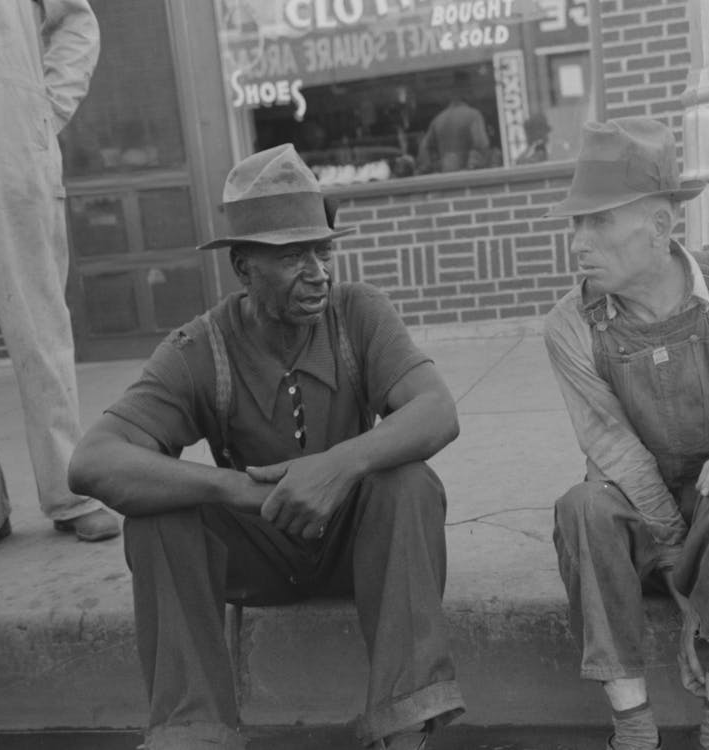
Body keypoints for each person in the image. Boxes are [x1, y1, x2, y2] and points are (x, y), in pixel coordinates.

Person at [67, 144, 466, 750]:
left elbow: (437, 410)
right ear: (244, 268)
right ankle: (192, 735)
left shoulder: (358, 313)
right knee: (156, 517)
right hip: (255, 555)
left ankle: (406, 726)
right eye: (291, 256)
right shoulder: (199, 348)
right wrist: (235, 489)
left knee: (409, 482)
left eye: (323, 250)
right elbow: (93, 461)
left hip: (355, 548)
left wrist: (336, 467)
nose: (318, 272)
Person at [542, 118, 709, 750]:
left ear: (661, 225)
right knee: (582, 507)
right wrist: (675, 563)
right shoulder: (569, 325)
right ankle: (633, 726)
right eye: (576, 223)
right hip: (639, 516)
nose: (579, 242)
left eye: (599, 221)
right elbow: (614, 452)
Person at [0, 0, 119, 543]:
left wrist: (45, 110)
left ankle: (70, 491)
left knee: (39, 327)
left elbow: (74, 20)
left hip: (10, 148)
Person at [416, 70, 490, 173]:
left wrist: (436, 166)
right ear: (466, 91)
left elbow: (424, 148)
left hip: (445, 175)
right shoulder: (473, 115)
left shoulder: (438, 119)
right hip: (467, 175)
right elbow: (482, 145)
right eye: (470, 89)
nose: (472, 93)